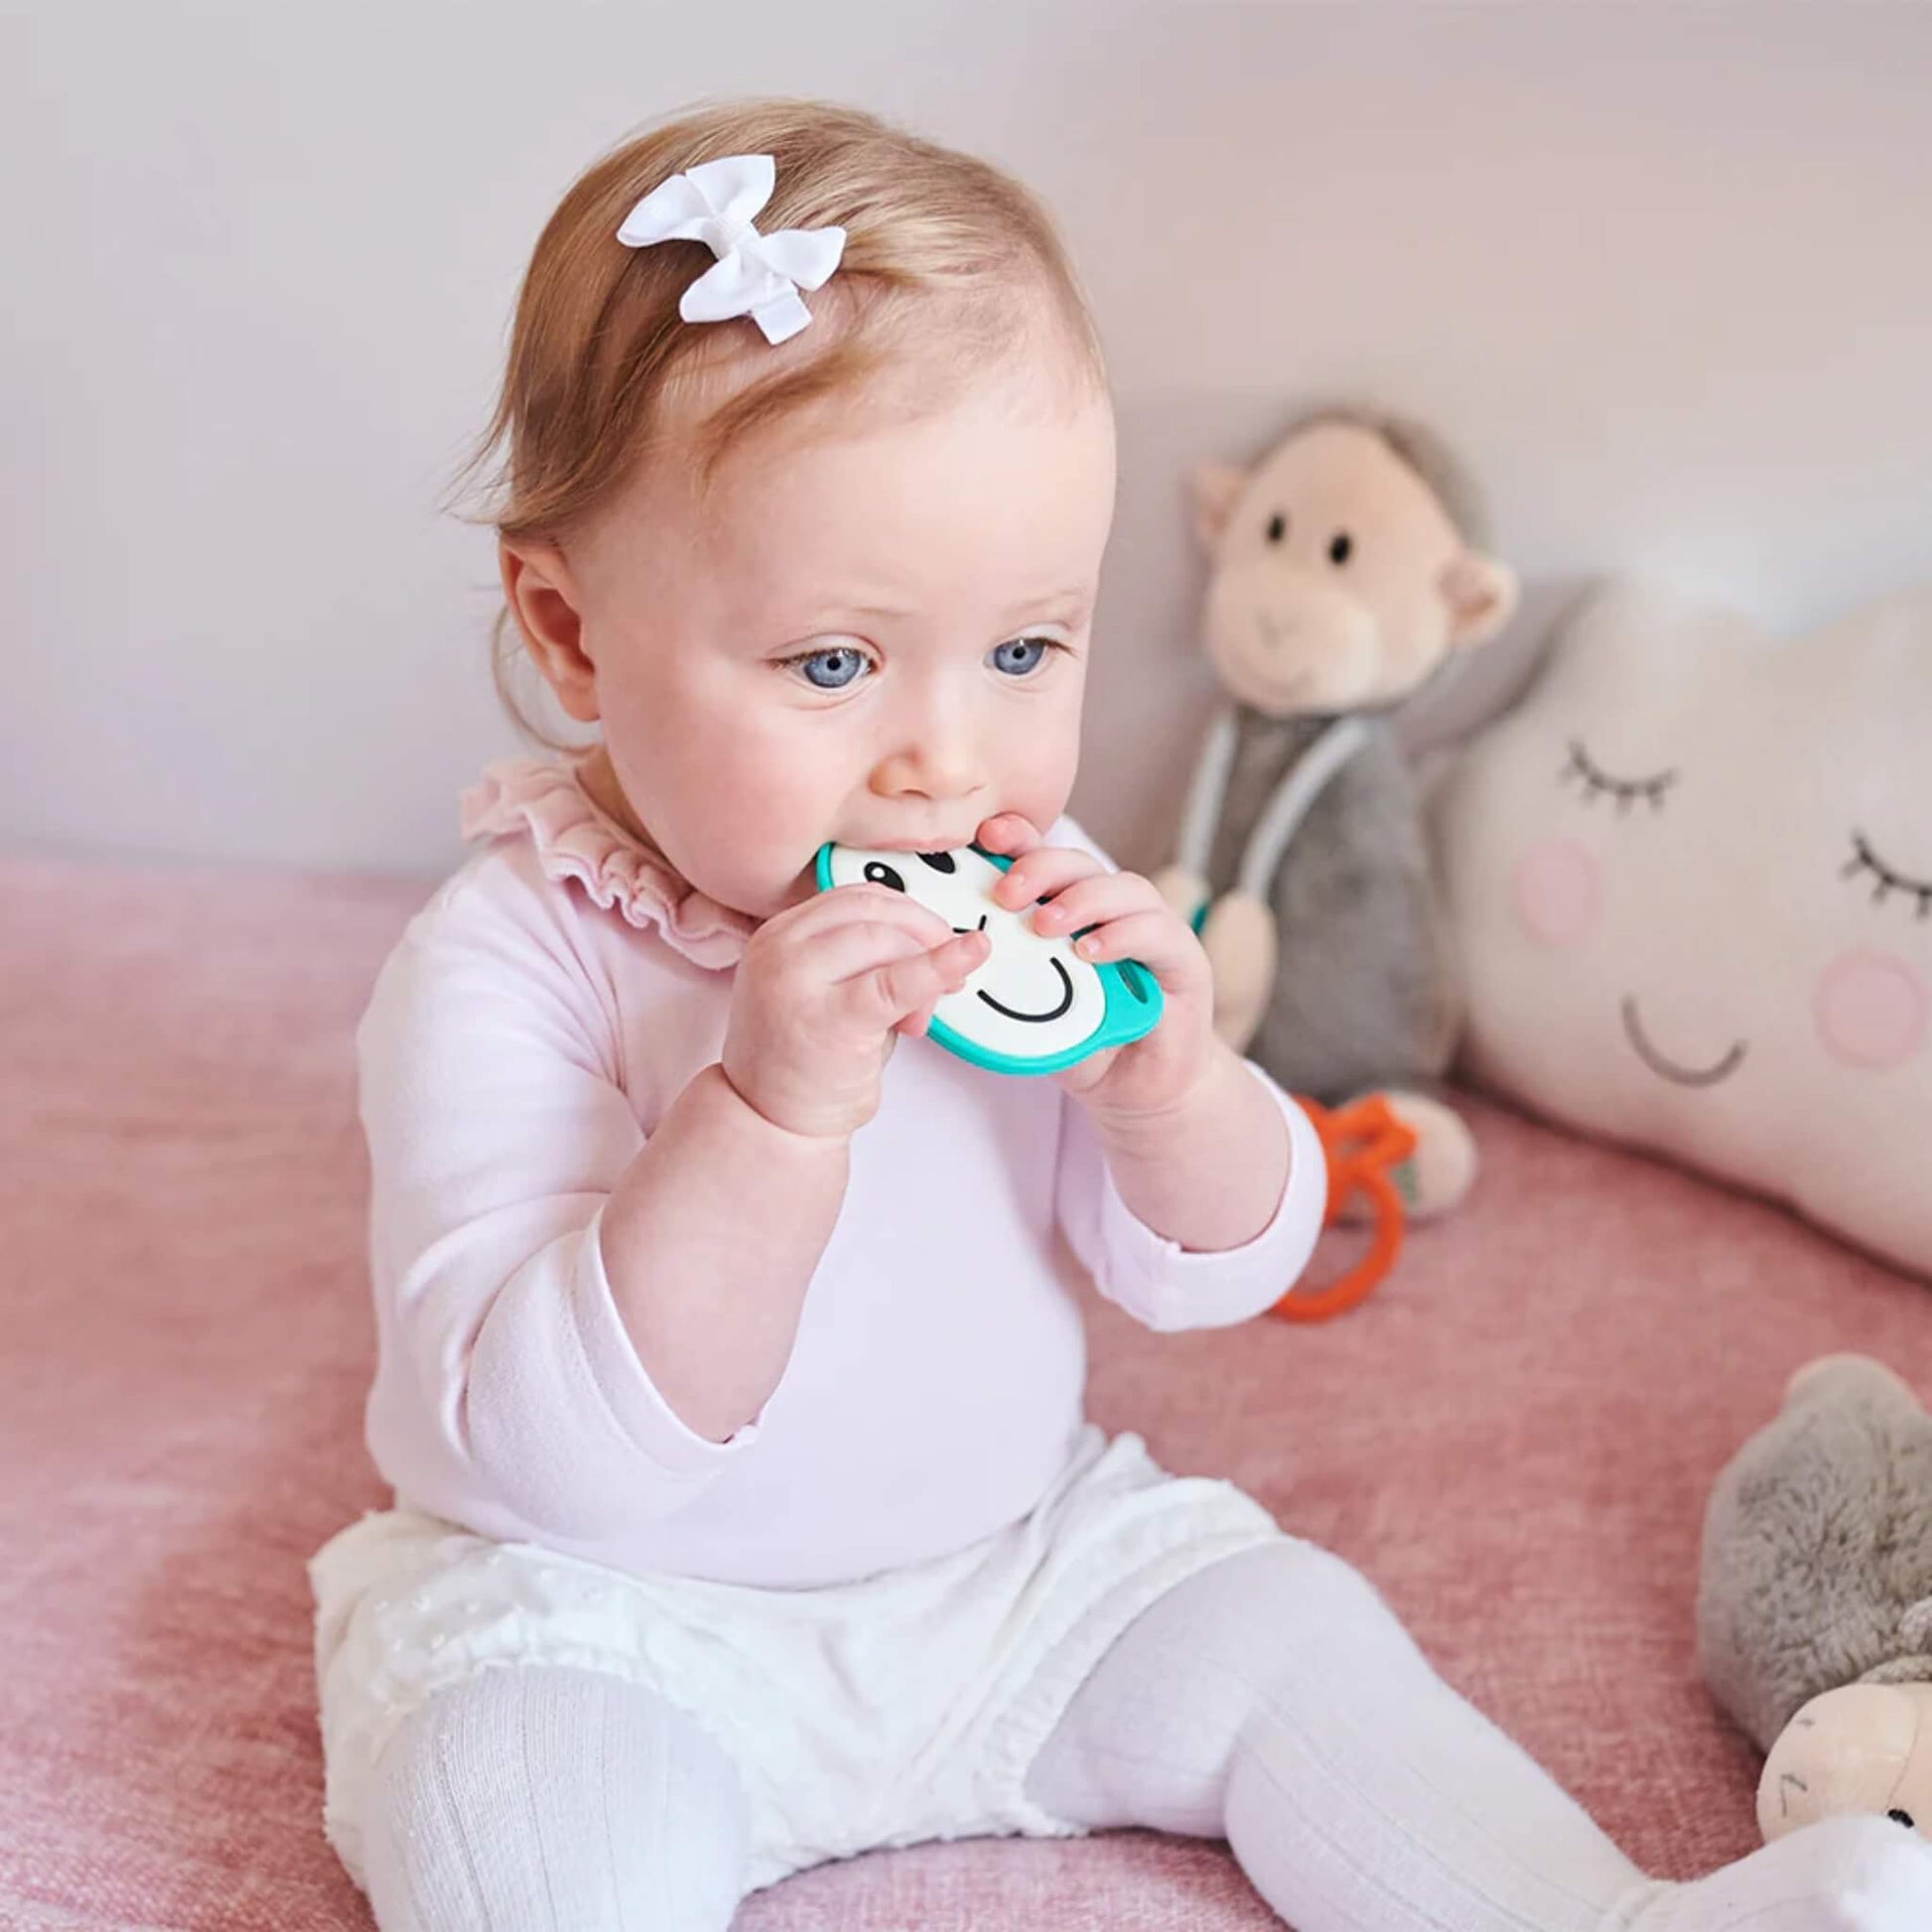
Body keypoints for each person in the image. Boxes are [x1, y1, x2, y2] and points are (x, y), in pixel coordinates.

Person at [308, 97, 1932, 1932]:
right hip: (610, 1612)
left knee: (1289, 1632)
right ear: (573, 633)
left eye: (1024, 648)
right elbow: (537, 1446)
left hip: (1012, 1568)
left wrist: (1171, 1082)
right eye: (833, 661)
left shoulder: (1035, 878)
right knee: (516, 1812)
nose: (944, 753)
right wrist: (764, 1117)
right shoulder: (506, 961)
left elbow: (1202, 1270)